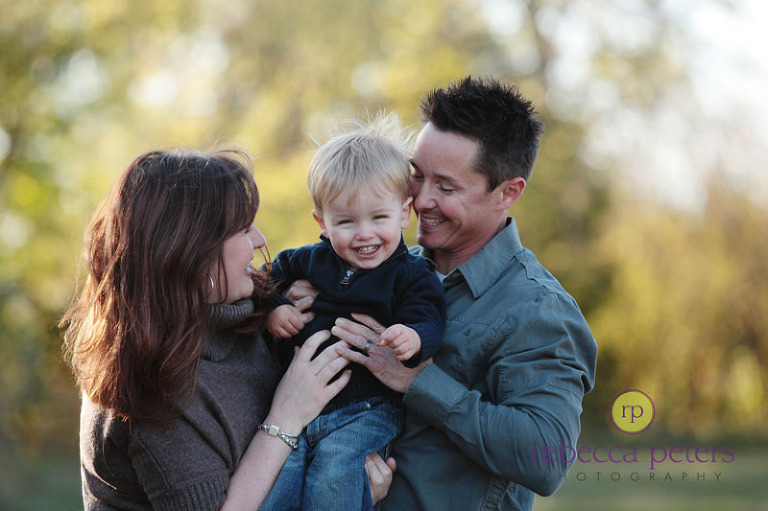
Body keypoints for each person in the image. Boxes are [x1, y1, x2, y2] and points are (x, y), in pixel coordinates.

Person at [59, 148, 391, 510]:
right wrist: (287, 416)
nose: (260, 240)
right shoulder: (152, 384)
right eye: (244, 229)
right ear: (192, 250)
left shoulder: (248, 317)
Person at [333, 76, 599, 510]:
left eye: (446, 187)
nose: (420, 200)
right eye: (417, 176)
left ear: (507, 193)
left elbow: (546, 459)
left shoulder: (539, 310)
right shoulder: (384, 268)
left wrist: (419, 381)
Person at [260, 112, 446, 511]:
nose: (364, 234)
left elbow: (430, 318)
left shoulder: (411, 274)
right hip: (299, 407)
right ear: (323, 222)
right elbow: (265, 279)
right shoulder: (308, 260)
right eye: (346, 221)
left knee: (335, 475)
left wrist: (413, 337)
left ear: (404, 213)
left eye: (379, 217)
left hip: (366, 410)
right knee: (278, 482)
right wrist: (275, 306)